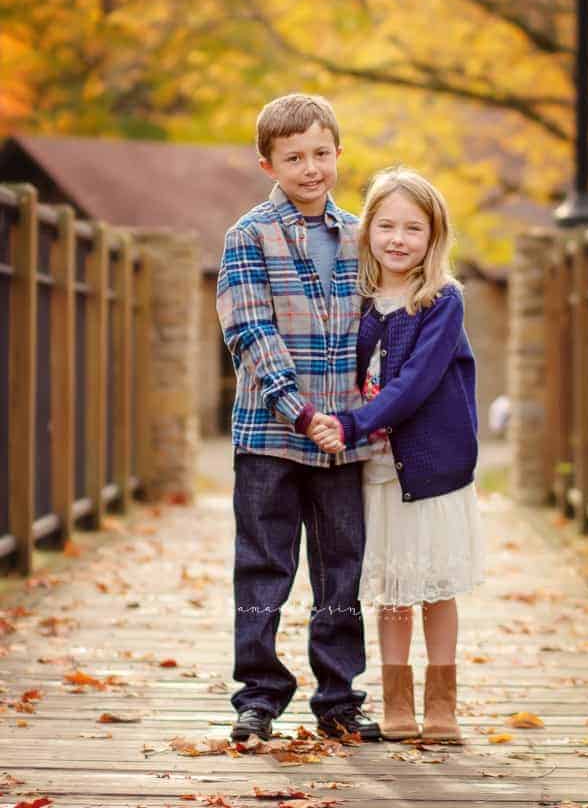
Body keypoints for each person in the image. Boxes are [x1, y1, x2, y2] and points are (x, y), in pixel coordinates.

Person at [216, 93, 380, 743]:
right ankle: (258, 693)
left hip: (343, 438)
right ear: (267, 165)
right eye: (293, 157)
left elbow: (382, 328)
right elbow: (250, 332)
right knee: (263, 565)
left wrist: (363, 411)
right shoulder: (246, 237)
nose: (310, 168)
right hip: (270, 435)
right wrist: (300, 410)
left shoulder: (363, 234)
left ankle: (338, 697)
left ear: (338, 153)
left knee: (340, 568)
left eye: (320, 153)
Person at [310, 168, 485, 743]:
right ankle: (398, 703)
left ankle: (442, 706)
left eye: (414, 228)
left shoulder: (442, 300)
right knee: (390, 589)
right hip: (376, 472)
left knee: (434, 585)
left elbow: (413, 383)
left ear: (434, 238)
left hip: (431, 470)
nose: (398, 239)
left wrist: (351, 423)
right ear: (367, 233)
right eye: (385, 225)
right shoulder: (356, 300)